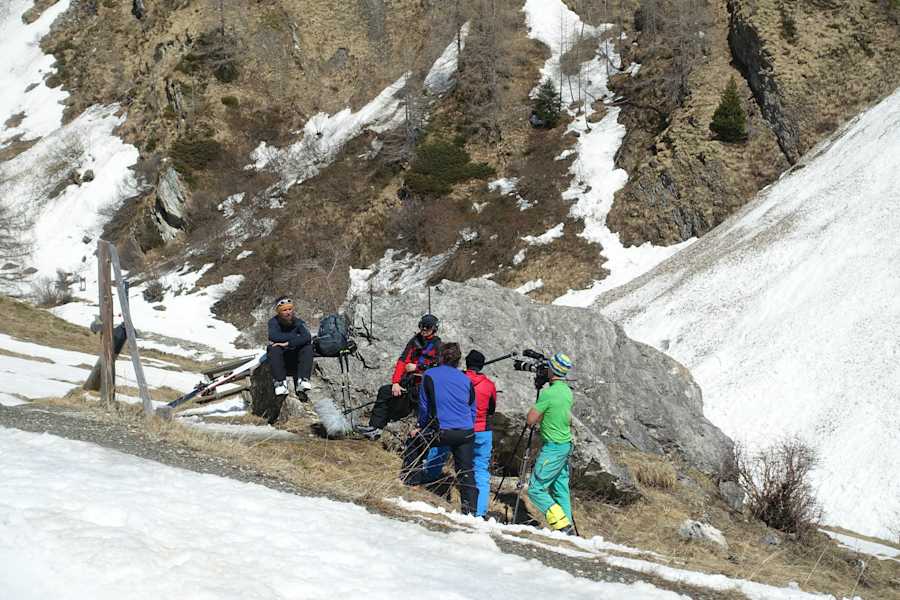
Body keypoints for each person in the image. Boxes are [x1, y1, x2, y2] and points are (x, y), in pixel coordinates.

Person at [421, 349, 497, 518]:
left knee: (439, 452)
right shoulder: (489, 385)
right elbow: (491, 409)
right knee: (479, 469)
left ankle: (428, 483)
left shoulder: (460, 379)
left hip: (458, 428)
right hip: (482, 430)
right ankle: (479, 511)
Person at [414, 342, 478, 515]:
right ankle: (471, 512)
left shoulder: (429, 375)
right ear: (458, 361)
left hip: (441, 431)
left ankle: (410, 482)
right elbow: (472, 409)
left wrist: (420, 426)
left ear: (440, 357)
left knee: (414, 442)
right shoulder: (466, 380)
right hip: (465, 432)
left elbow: (425, 407)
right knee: (466, 471)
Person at [356, 314, 442, 440]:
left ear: (434, 329)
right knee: (385, 391)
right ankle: (375, 428)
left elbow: (438, 368)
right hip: (408, 384)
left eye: (427, 328)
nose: (423, 330)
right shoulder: (415, 341)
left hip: (423, 388)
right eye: (421, 327)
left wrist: (417, 367)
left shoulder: (438, 345)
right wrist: (396, 382)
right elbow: (402, 361)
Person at [526, 352, 575, 534]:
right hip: (565, 445)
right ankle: (567, 525)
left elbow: (530, 420)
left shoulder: (548, 393)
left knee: (535, 489)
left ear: (552, 369)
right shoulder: (567, 392)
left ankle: (562, 525)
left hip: (553, 447)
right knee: (560, 486)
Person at [267, 297, 314, 398]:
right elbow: (273, 336)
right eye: (284, 310)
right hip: (281, 360)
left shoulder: (299, 322)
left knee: (308, 347)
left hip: (296, 359)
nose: (288, 312)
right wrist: (296, 338)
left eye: (290, 309)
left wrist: (287, 343)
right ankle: (280, 383)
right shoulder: (273, 322)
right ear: (279, 312)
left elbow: (307, 337)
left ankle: (303, 380)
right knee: (273, 348)